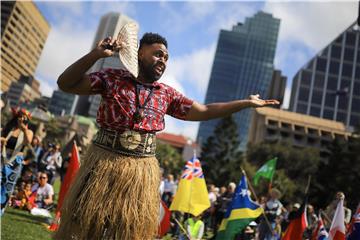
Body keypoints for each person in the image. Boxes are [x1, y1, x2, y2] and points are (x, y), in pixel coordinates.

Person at [54, 32, 279, 239]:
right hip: (103, 162)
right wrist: (96, 54)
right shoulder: (112, 78)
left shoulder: (167, 94)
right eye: (158, 54)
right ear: (140, 53)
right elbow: (66, 83)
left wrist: (245, 103)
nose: (163, 60)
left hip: (140, 172)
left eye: (166, 57)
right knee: (83, 224)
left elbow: (206, 111)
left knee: (124, 230)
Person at [1, 108, 33, 215]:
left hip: (16, 161)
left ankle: (0, 208)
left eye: (24, 117)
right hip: (3, 157)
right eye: (20, 116)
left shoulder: (28, 132)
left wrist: (23, 129)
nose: (21, 119)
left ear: (27, 120)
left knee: (8, 186)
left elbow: (28, 142)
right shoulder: (10, 128)